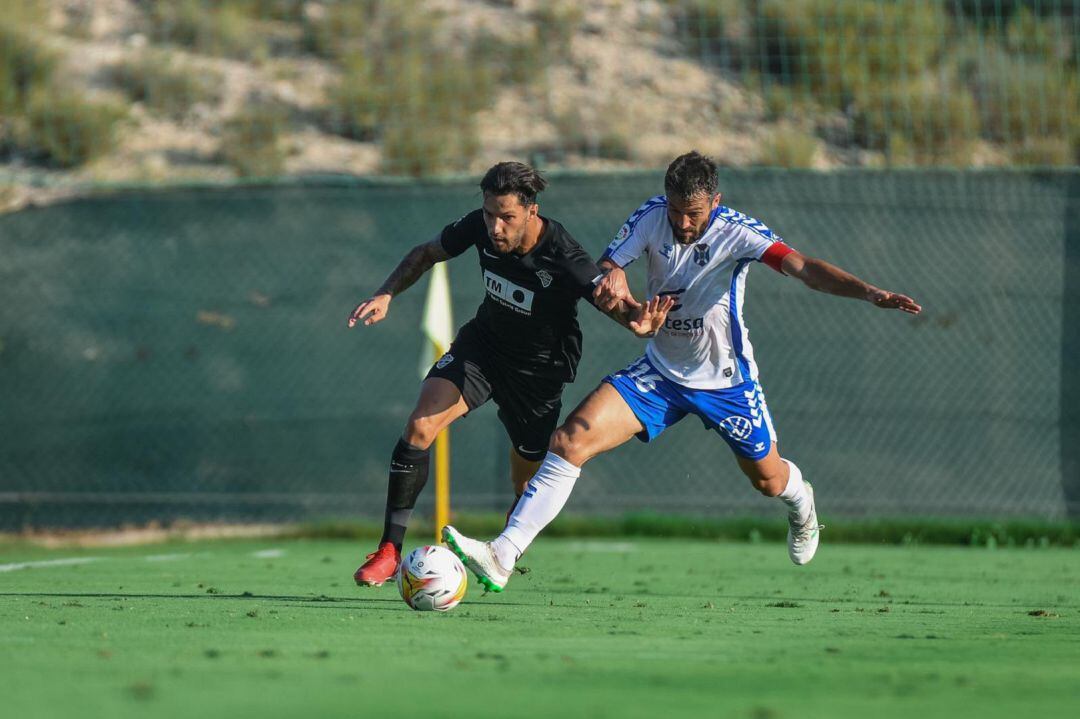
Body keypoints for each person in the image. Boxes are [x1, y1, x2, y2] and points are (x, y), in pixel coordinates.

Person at [443, 151, 922, 592]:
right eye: (676, 210)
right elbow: (609, 266)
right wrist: (616, 279)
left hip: (727, 382)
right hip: (660, 375)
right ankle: (502, 555)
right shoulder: (653, 215)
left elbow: (804, 267)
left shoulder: (738, 232)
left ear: (715, 201)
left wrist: (869, 292)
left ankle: (802, 502)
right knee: (569, 442)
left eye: (693, 213)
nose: (682, 221)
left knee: (768, 481)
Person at [348, 161, 672, 586]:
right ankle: (389, 550)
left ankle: (504, 548)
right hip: (482, 349)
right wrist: (385, 292)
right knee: (419, 426)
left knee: (525, 483)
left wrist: (638, 321)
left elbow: (614, 306)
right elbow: (427, 252)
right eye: (489, 214)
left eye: (507, 218)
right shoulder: (479, 228)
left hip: (538, 375)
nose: (495, 227)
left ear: (531, 212)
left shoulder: (564, 255)